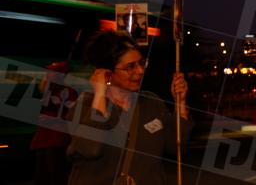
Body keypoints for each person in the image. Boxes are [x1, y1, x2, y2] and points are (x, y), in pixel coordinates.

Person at [67, 30, 191, 185]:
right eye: (130, 67)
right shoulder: (84, 105)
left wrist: (181, 104)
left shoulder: (151, 103)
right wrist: (100, 95)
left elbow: (175, 147)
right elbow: (90, 149)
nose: (140, 71)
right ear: (107, 73)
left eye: (141, 63)